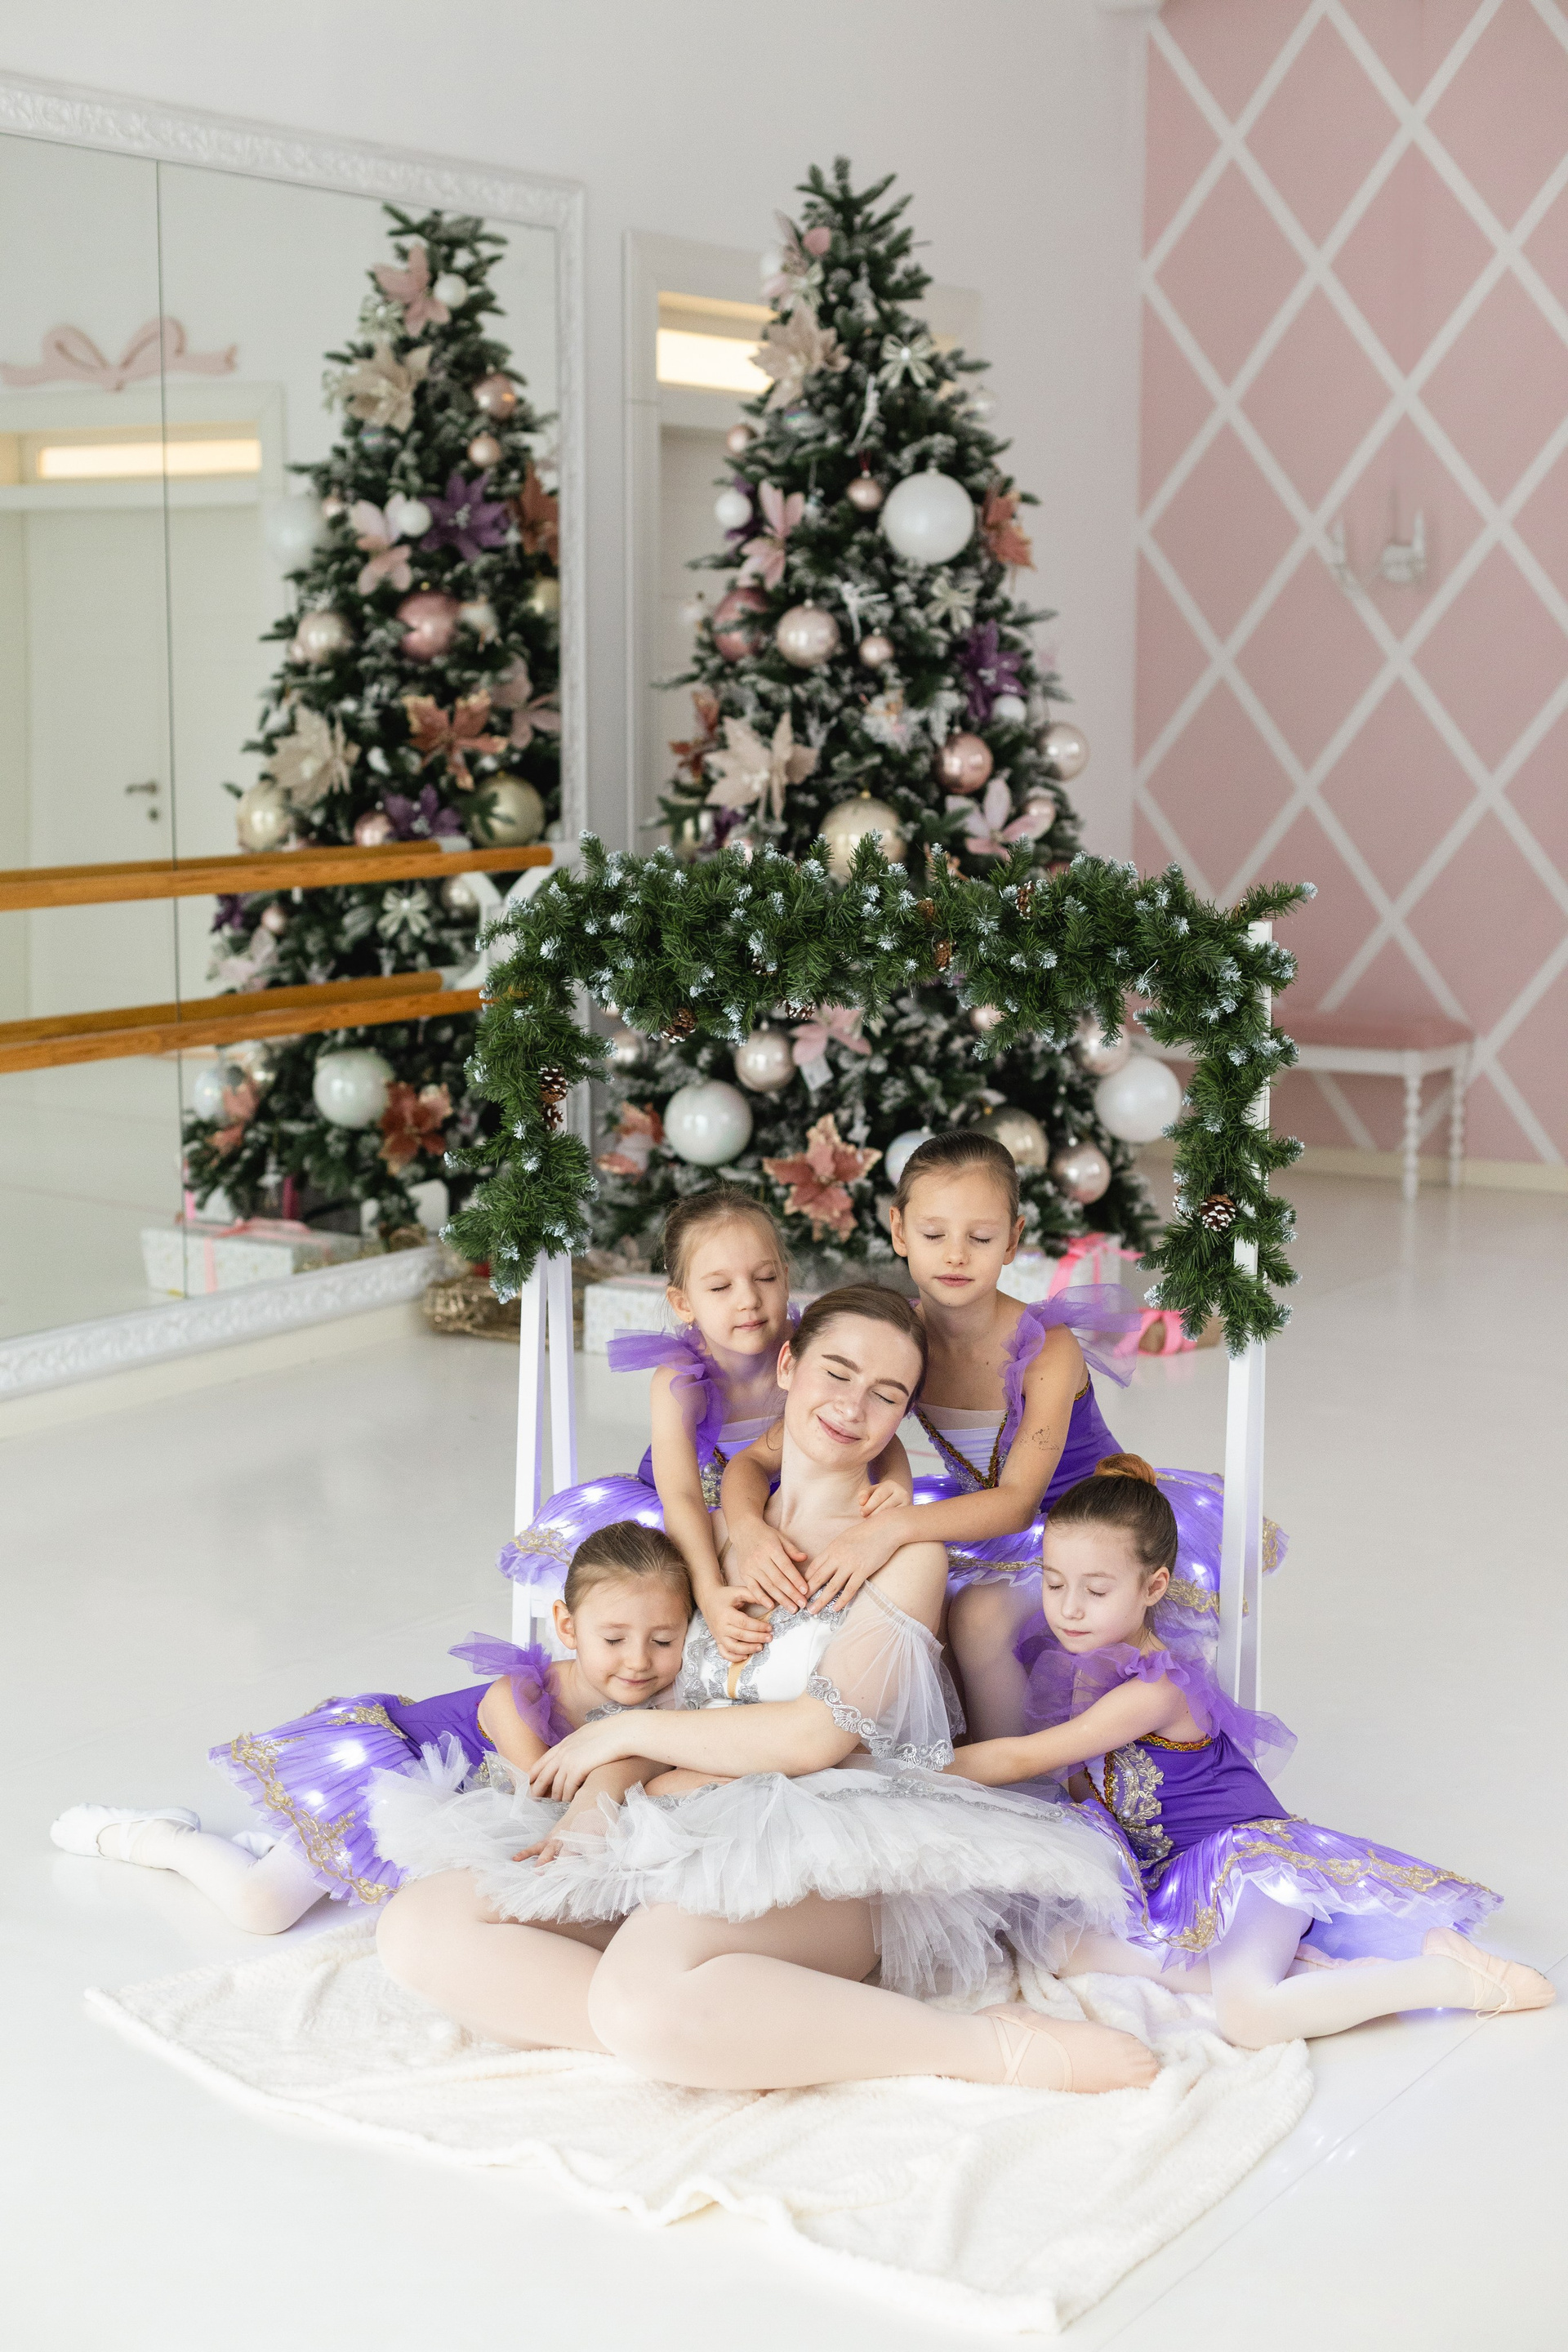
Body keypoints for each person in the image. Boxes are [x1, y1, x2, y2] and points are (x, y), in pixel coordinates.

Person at [374, 1287, 1156, 2097]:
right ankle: (721, 2032)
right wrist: (599, 1795)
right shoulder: (714, 1540)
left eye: (886, 1394)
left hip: (824, 1846)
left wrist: (615, 1736)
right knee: (421, 1927)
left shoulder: (905, 1557)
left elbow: (814, 1739)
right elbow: (662, 1699)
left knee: (640, 1992)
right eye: (836, 1373)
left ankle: (980, 2046)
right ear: (788, 1365)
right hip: (672, 1820)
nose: (852, 1407)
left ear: (901, 1417)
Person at [947, 1459, 1554, 2042]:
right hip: (1183, 1881)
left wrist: (915, 1770)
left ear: (1154, 1586)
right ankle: (1305, 1972)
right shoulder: (1082, 1671)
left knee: (1248, 2019)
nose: (1068, 1609)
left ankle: (1446, 1979)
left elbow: (1026, 1758)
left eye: (1096, 1590)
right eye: (1053, 1583)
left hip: (1250, 1869)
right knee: (1055, 1946)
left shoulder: (1155, 1689)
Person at [49, 1523, 692, 1936]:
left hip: (446, 1822)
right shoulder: (519, 1695)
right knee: (259, 1910)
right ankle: (153, 1837)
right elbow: (548, 1799)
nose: (639, 1661)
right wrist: (637, 1756)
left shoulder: (663, 1707)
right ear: (568, 1626)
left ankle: (271, 1847)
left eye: (663, 1640)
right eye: (614, 1639)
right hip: (378, 1786)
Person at [501, 1187, 907, 1664]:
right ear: (684, 1302)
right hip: (694, 1509)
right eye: (719, 1288)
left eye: (765, 1277)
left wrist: (897, 1484)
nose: (749, 1300)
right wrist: (709, 1591)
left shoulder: (811, 1352)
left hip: (795, 1498)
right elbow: (681, 1496)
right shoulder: (680, 1380)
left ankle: (820, 1661)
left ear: (786, 1277)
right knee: (664, 1571)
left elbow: (871, 1427)